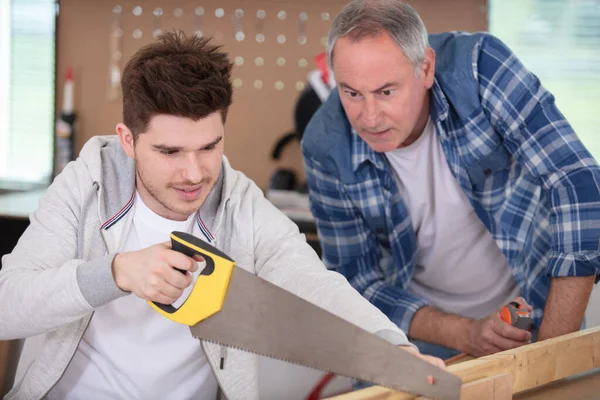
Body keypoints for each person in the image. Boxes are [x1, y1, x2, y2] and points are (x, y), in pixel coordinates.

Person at [0, 31, 443, 400]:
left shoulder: (239, 203)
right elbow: (7, 304)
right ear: (128, 141)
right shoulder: (85, 186)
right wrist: (116, 273)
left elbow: (315, 285)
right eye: (170, 151)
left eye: (209, 147)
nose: (194, 173)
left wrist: (393, 349)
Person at [301, 0, 600, 360]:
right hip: (418, 335)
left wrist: (552, 356)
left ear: (425, 68)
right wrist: (465, 334)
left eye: (386, 92)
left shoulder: (480, 68)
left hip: (535, 312)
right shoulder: (324, 144)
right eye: (351, 93)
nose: (369, 117)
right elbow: (357, 281)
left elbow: (576, 183)